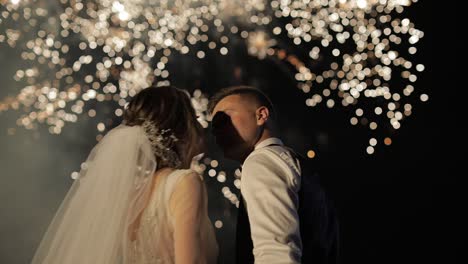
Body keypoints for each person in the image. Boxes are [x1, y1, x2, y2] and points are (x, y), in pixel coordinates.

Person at [32, 86, 218, 264]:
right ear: (182, 130)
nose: (199, 125)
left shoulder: (130, 195)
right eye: (193, 117)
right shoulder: (184, 182)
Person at [208, 86, 339, 264]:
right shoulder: (300, 165)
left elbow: (276, 252)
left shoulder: (260, 162)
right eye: (214, 127)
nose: (216, 131)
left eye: (224, 119)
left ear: (261, 115)